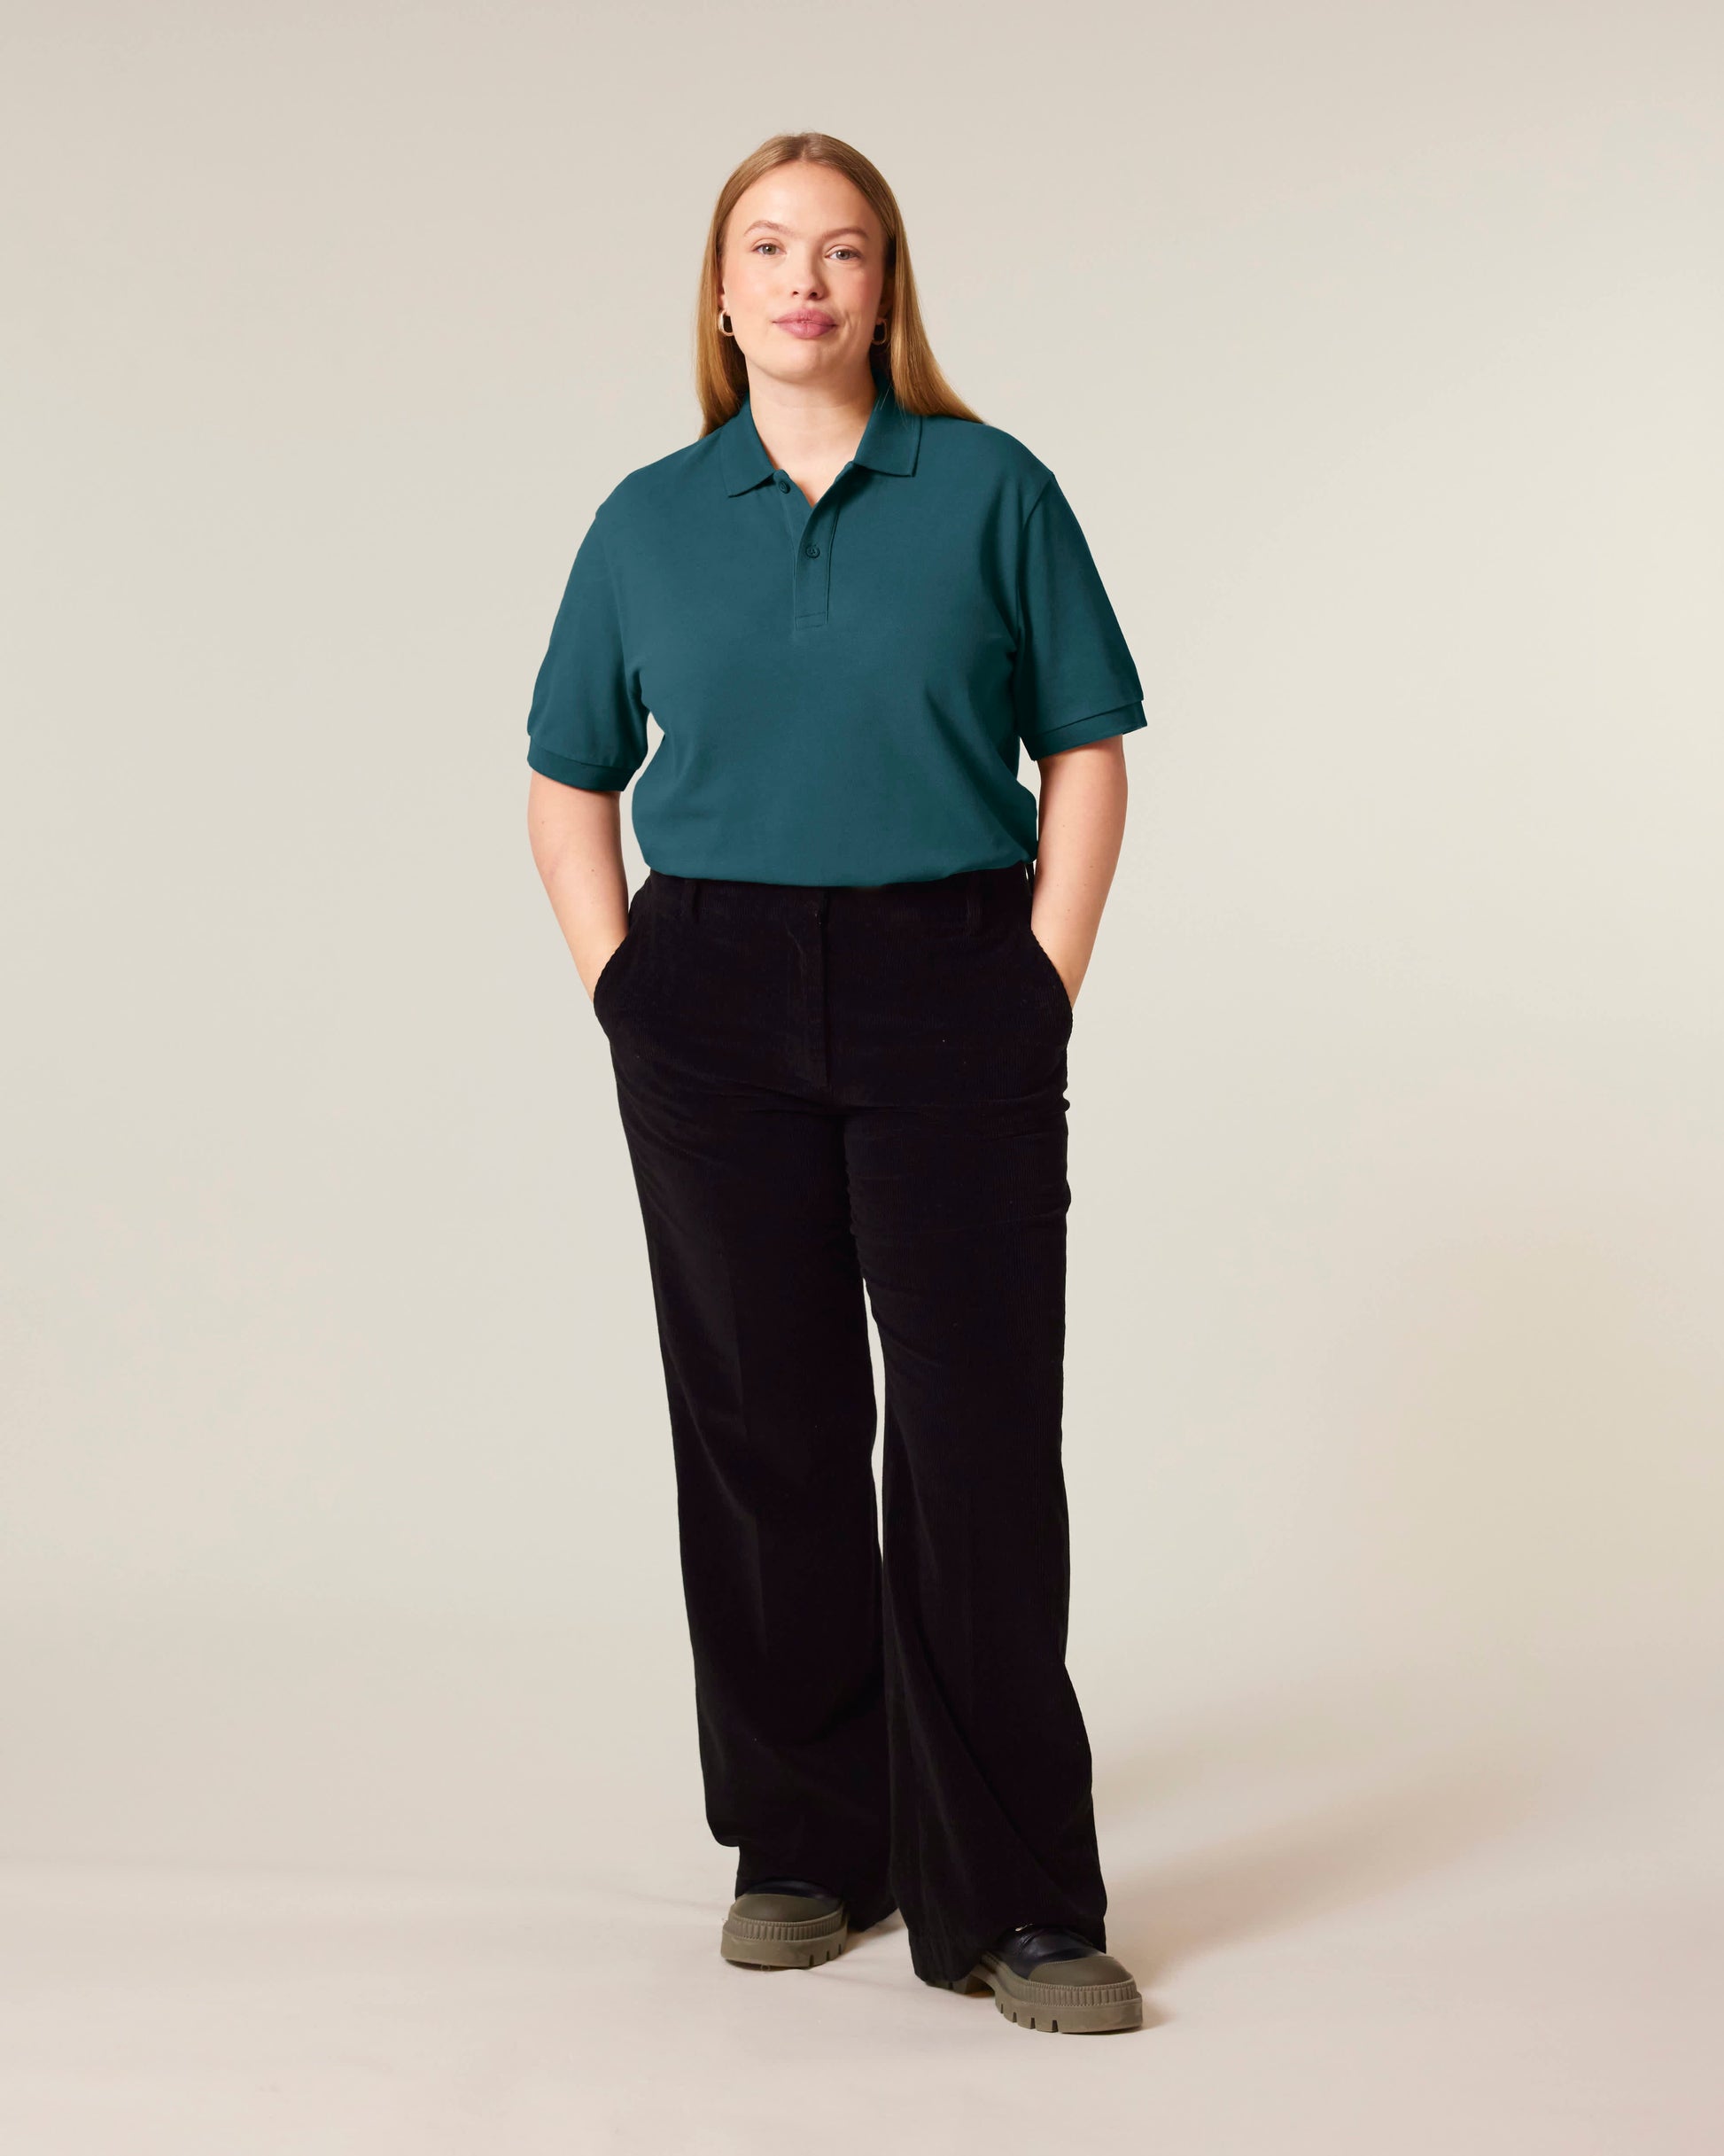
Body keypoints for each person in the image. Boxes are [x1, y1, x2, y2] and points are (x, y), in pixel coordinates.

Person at [524, 131, 1145, 2036]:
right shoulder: (645, 519)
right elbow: (567, 775)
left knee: (974, 1439)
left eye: (845, 249)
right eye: (771, 247)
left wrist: (1034, 983)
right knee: (762, 1426)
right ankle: (805, 1840)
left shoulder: (991, 486)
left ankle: (1017, 1894)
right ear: (721, 294)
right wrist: (628, 988)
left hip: (950, 979)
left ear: (887, 288)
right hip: (710, 996)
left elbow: (1086, 747)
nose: (806, 279)